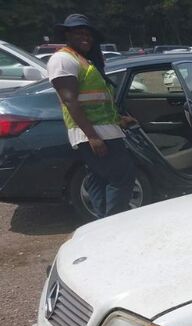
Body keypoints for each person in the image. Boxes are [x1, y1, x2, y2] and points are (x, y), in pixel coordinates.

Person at [48, 14, 137, 218]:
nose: (85, 38)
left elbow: (98, 101)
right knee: (122, 177)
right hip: (93, 133)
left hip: (104, 129)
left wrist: (119, 121)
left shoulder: (82, 59)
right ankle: (115, 221)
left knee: (99, 179)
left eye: (88, 34)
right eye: (79, 33)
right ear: (67, 34)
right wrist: (93, 137)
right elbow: (70, 101)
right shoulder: (63, 60)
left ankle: (102, 223)